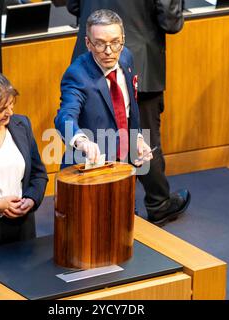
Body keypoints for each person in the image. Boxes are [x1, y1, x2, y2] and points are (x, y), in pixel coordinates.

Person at [55, 9, 185, 226]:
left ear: (123, 40)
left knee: (125, 226)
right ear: (87, 43)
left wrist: (138, 139)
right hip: (90, 170)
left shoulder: (126, 57)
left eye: (115, 42)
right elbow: (64, 116)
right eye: (99, 44)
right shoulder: (77, 75)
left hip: (122, 165)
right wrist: (80, 140)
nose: (109, 51)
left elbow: (129, 108)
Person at [0, 71, 48, 245]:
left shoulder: (22, 125)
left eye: (11, 105)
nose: (10, 112)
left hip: (24, 232)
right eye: (1, 109)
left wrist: (31, 199)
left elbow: (39, 174)